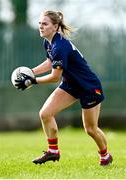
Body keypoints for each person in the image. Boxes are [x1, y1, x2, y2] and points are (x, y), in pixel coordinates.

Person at [15, 10, 113, 166]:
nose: (41, 26)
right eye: (40, 23)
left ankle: (105, 155)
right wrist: (31, 72)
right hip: (71, 85)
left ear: (55, 27)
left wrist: (32, 81)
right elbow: (50, 62)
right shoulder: (48, 42)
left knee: (90, 129)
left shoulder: (60, 46)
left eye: (45, 24)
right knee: (45, 114)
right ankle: (53, 151)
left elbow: (55, 76)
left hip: (88, 86)